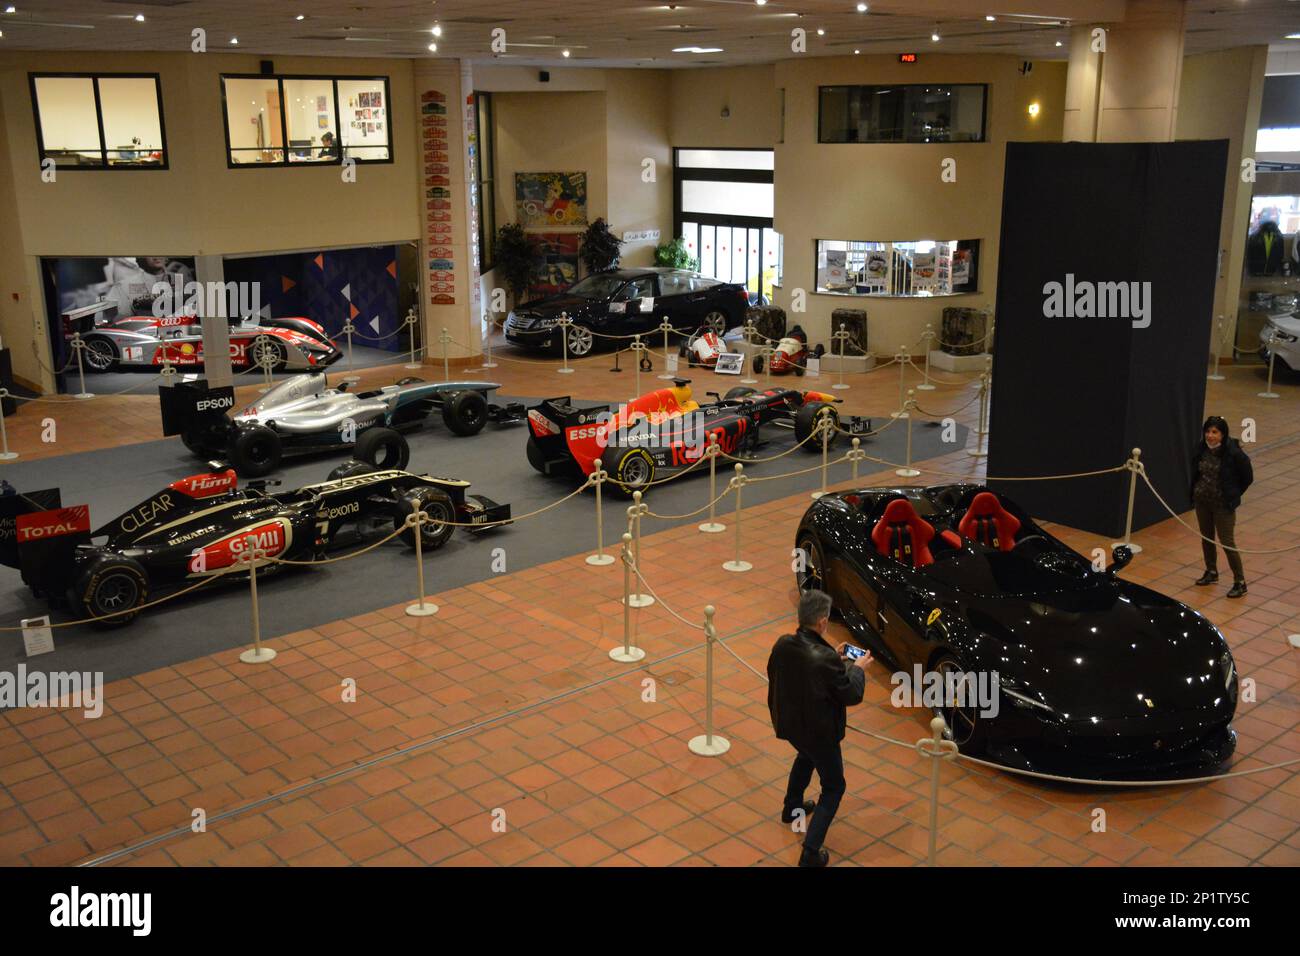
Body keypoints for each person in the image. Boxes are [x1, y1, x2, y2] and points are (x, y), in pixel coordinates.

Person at [767, 589, 870, 867]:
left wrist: (831, 656)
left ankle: (792, 807)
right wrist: (857, 668)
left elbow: (799, 669)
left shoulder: (782, 644)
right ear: (823, 621)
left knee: (805, 756)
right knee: (834, 787)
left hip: (791, 725)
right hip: (819, 733)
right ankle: (811, 852)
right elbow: (850, 694)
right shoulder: (823, 659)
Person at [1190, 415, 1253, 598]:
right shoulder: (1200, 449)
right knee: (1206, 538)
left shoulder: (1234, 453)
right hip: (1203, 502)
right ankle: (1211, 571)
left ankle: (1240, 582)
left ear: (1223, 434)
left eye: (1215, 432)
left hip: (1223, 506)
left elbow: (1247, 478)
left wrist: (1233, 495)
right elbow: (1196, 473)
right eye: (1208, 431)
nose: (1210, 436)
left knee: (1227, 542)